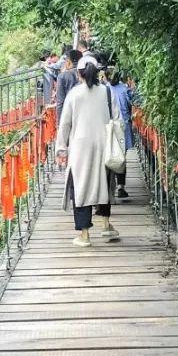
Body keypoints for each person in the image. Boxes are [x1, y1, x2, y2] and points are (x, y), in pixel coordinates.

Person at [55, 53, 123, 248]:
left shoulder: (74, 94)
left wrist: (61, 148)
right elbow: (118, 120)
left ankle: (84, 235)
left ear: (79, 74)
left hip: (79, 147)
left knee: (81, 186)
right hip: (104, 144)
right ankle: (106, 225)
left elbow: (65, 123)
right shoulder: (107, 92)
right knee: (103, 183)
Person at [107, 69, 134, 200]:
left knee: (120, 157)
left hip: (120, 127)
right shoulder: (104, 89)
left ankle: (120, 187)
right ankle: (114, 187)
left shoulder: (124, 89)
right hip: (113, 127)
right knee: (115, 156)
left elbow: (134, 101)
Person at [54, 46, 79, 117]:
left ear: (68, 62)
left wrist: (59, 123)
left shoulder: (62, 76)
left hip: (69, 113)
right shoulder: (86, 73)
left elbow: (60, 102)